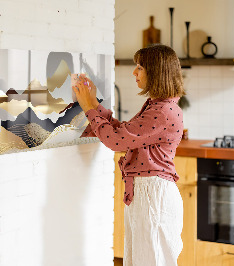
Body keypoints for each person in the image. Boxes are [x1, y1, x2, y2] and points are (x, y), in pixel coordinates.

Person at [73, 44, 185, 266]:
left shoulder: (162, 111)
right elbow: (124, 133)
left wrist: (88, 107)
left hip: (153, 195)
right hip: (148, 193)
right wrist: (94, 104)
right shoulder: (158, 106)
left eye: (140, 67)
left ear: (156, 72)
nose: (134, 72)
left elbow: (116, 141)